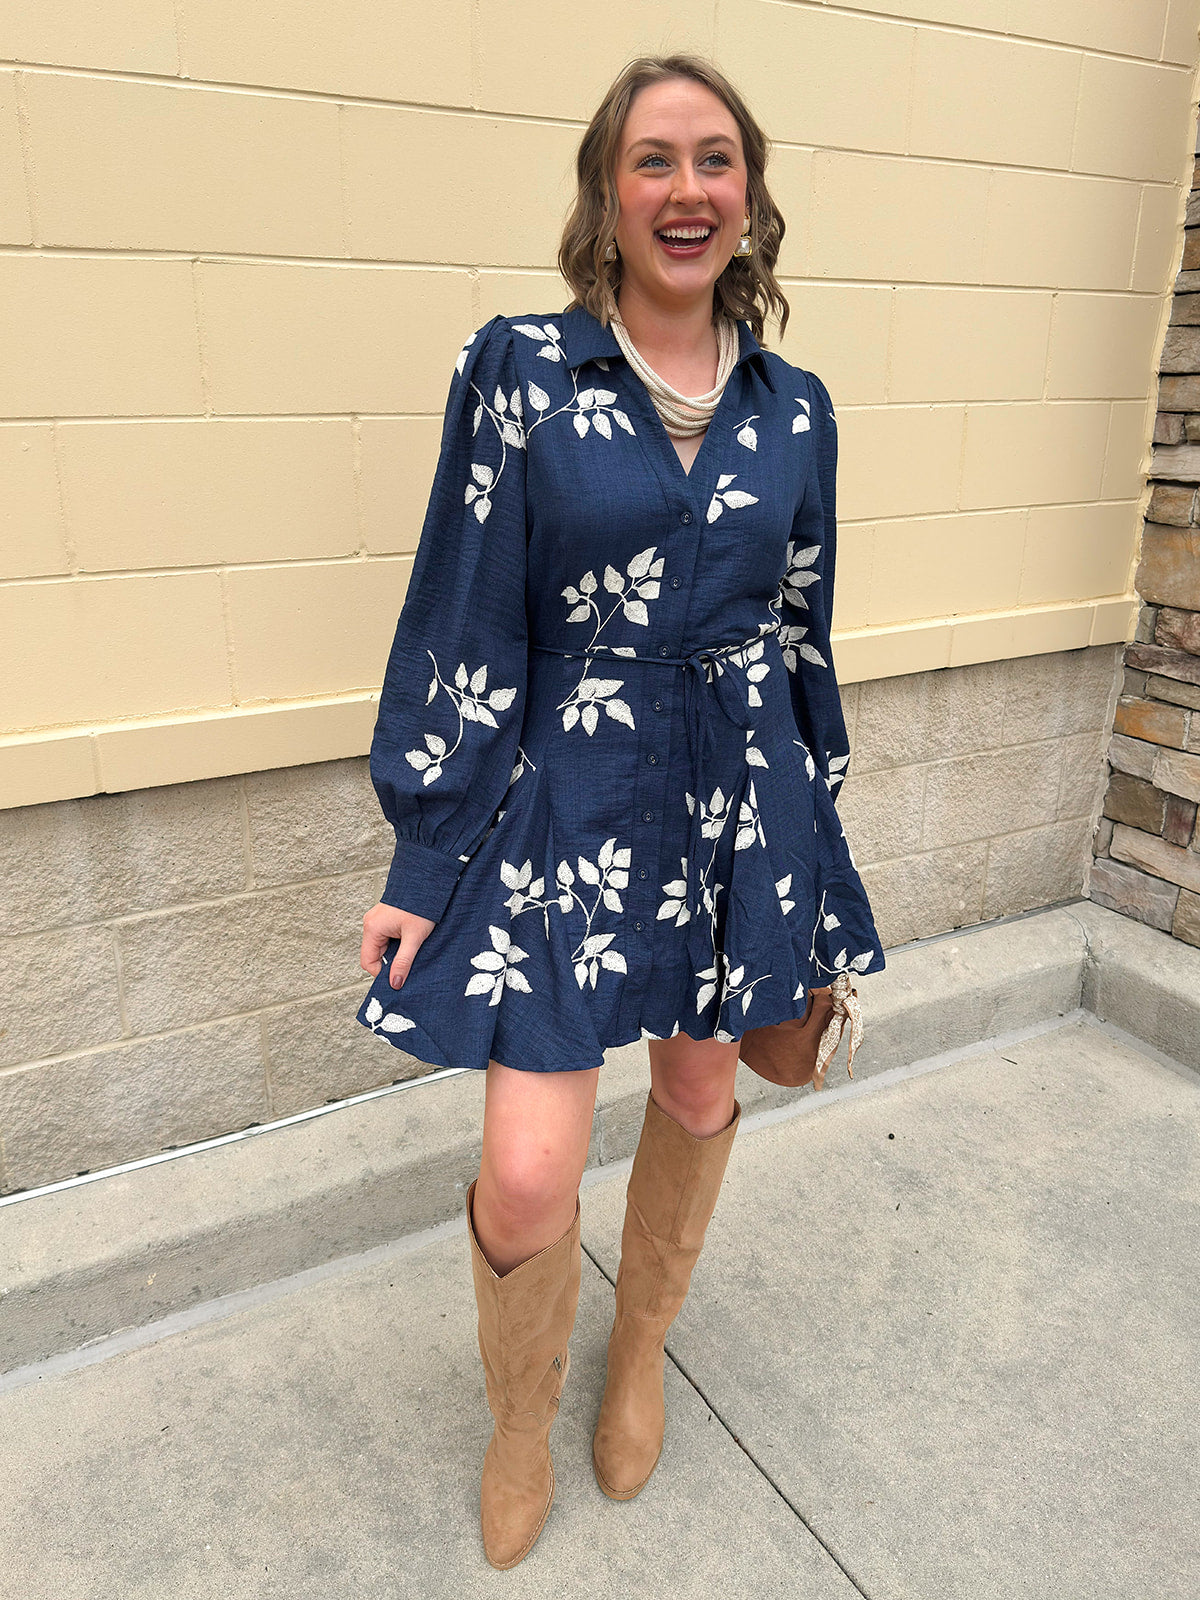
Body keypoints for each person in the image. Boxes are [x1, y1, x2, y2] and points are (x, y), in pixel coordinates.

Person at [357, 53, 885, 1571]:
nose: (686, 189)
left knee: (705, 1094)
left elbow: (803, 634)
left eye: (715, 160)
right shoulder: (519, 369)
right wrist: (422, 843)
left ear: (751, 197)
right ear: (606, 192)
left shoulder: (798, 412)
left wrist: (820, 857)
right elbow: (461, 612)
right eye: (653, 160)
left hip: (734, 801)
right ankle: (521, 1417)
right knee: (528, 1171)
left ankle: (638, 1349)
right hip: (554, 796)